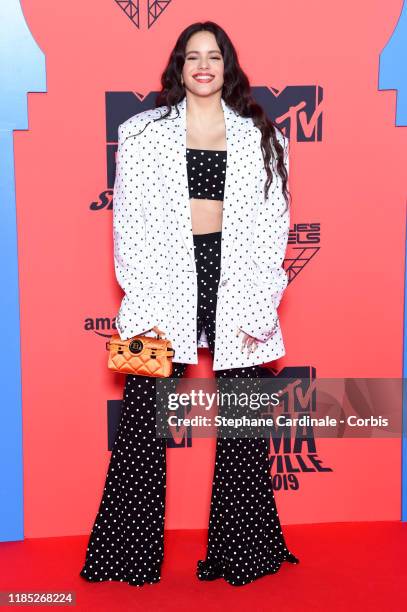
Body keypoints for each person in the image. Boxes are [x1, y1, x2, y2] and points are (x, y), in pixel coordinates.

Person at [79, 20, 299, 588]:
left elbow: (277, 224)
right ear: (180, 66)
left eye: (215, 55)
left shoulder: (262, 134)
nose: (204, 64)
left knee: (244, 423)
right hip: (159, 285)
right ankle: (124, 558)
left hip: (238, 283)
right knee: (139, 422)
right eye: (193, 55)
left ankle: (243, 555)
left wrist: (260, 295)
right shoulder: (141, 132)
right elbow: (126, 223)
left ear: (228, 67)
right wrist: (140, 298)